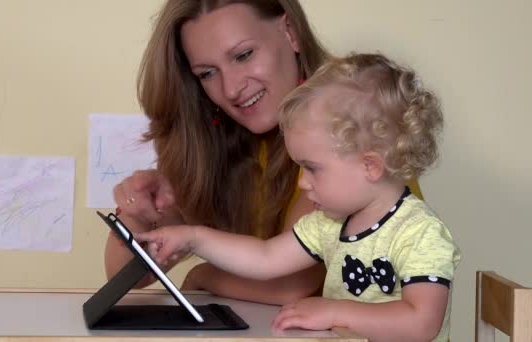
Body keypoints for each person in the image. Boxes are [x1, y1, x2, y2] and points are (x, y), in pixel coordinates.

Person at [105, 0, 423, 304]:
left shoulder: (357, 126)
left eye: (243, 55)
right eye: (207, 73)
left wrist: (204, 276)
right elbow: (126, 279)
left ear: (291, 32)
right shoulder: (210, 145)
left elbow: (290, 283)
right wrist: (139, 212)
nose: (230, 89)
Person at [136, 53, 461, 342]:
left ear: (370, 166)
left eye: (312, 168)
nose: (303, 183)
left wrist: (334, 312)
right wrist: (193, 238)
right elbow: (265, 258)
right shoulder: (330, 224)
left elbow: (422, 323)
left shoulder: (420, 233)